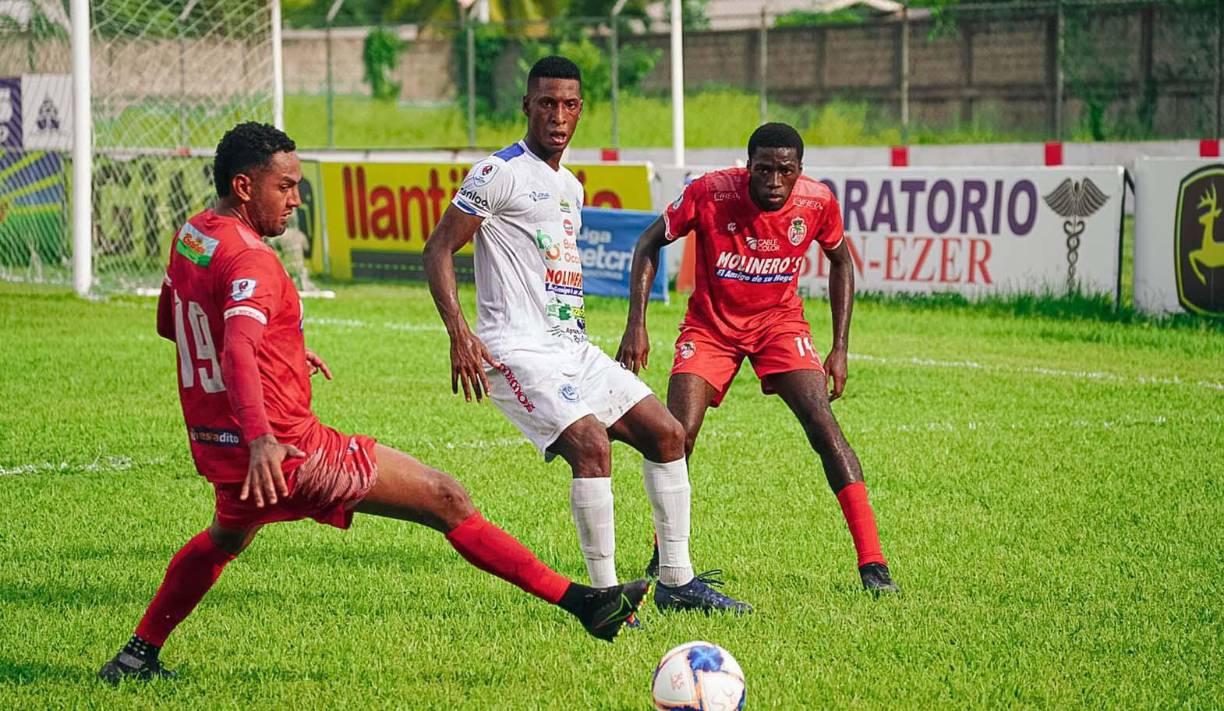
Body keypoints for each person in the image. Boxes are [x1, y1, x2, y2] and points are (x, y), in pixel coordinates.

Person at [99, 123, 649, 686]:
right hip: (287, 451)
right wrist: (263, 434)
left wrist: (281, 351)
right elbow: (237, 345)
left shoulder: (194, 235)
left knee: (225, 538)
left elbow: (172, 322)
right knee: (445, 498)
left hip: (223, 449)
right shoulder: (253, 260)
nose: (295, 200)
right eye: (284, 186)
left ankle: (136, 655)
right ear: (244, 186)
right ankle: (586, 603)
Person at [422, 56, 749, 614]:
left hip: (573, 348)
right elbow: (437, 249)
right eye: (547, 103)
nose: (558, 116)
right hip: (516, 350)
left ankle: (676, 581)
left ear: (580, 110)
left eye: (569, 105)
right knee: (592, 447)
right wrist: (459, 332)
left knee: (667, 435)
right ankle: (605, 596)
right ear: (526, 106)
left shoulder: (570, 187)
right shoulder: (497, 172)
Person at [616, 122, 900, 595]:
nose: (774, 181)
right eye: (764, 169)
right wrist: (636, 324)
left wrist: (840, 347)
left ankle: (874, 565)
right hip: (710, 328)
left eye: (785, 171)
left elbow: (842, 261)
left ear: (799, 170)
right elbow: (649, 242)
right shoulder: (709, 193)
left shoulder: (818, 202)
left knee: (823, 425)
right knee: (677, 436)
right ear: (747, 166)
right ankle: (666, 555)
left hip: (779, 326)